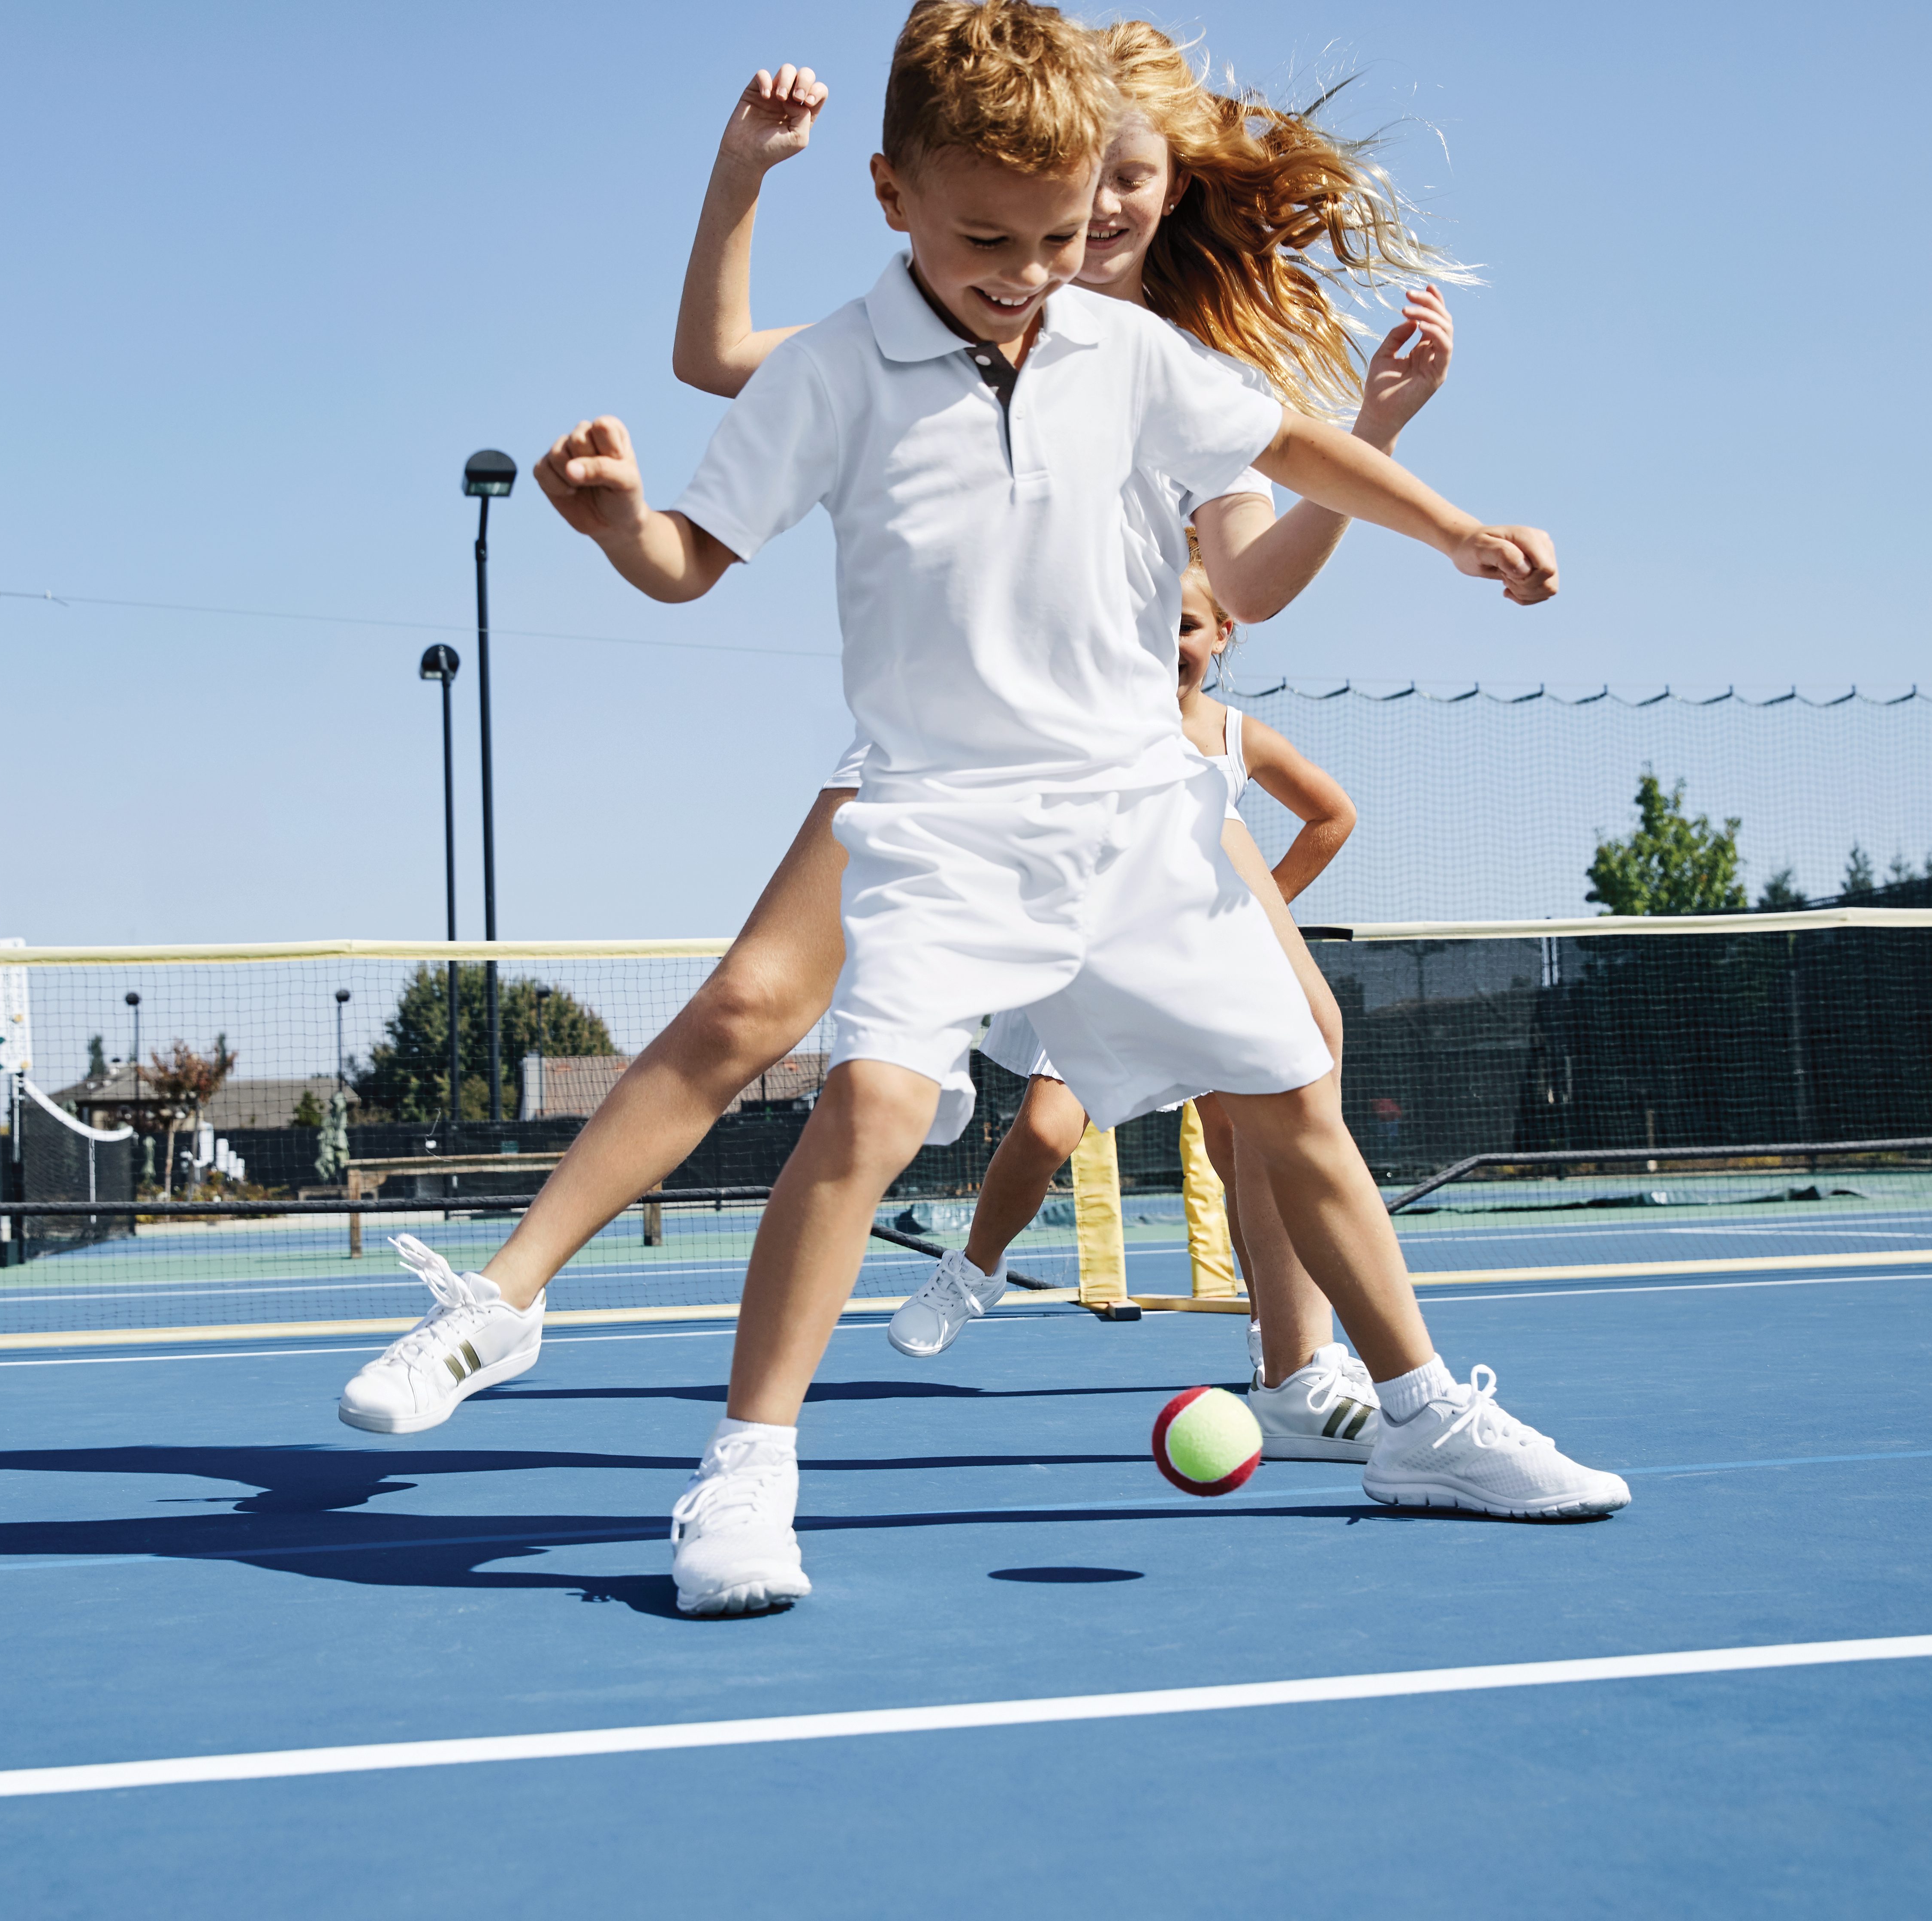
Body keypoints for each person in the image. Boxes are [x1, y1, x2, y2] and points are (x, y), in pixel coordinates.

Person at [540, 0, 1625, 1614]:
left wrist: (1447, 520)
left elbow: (1277, 510)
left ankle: (1405, 1414)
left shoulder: (1149, 357)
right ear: (906, 195)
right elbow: (713, 418)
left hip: (1136, 787)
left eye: (1113, 194)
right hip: (941, 795)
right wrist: (644, 477)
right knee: (859, 1099)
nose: (1072, 232)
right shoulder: (871, 348)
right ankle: (741, 1472)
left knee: (1297, 1082)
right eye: (1041, 204)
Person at [336, 29, 1455, 1438]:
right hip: (942, 763)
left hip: (1127, 769)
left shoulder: (1179, 372)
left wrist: (1381, 444)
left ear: (1170, 190)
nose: (1101, 206)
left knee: (1298, 1041)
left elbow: (1253, 586)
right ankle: (501, 1303)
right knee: (749, 1007)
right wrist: (743, 175)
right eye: (1080, 174)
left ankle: (1301, 1367)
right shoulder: (903, 333)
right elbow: (716, 359)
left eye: (1132, 178)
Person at [894, 552, 1385, 1467]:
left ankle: (1277, 1332)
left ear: (1224, 633)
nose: (1168, 647)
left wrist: (1252, 912)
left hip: (1200, 962)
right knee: (1045, 1130)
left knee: (1246, 1140)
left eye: (1188, 628)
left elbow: (1332, 815)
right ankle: (974, 1271)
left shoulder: (1235, 738)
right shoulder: (1091, 733)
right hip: (1100, 950)